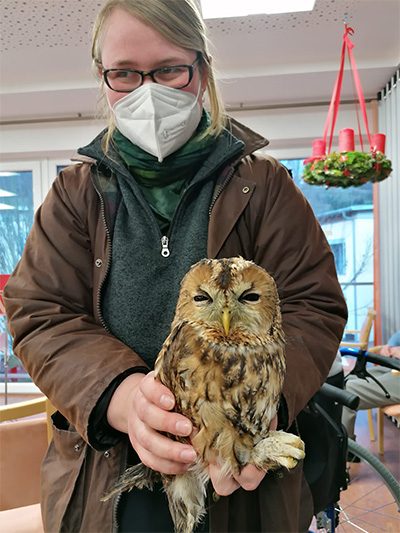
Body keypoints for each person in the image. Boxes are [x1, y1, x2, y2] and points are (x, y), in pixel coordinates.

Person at [3, 1, 347, 531]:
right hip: (110, 472)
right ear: (104, 77)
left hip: (242, 480)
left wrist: (262, 403)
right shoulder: (76, 195)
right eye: (124, 72)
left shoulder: (264, 186)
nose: (148, 91)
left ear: (202, 71)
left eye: (168, 69)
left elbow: (314, 303)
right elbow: (38, 312)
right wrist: (116, 396)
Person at [342, 331, 400, 441]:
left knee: (347, 391)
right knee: (341, 380)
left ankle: (345, 451)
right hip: (395, 368)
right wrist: (391, 345)